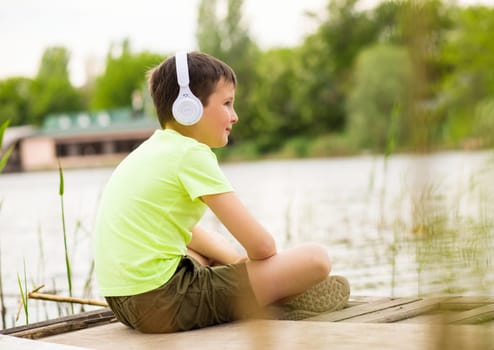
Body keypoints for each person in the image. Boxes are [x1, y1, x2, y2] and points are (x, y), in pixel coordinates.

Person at [93, 51, 350, 334]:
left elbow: (186, 233)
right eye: (227, 103)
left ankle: (260, 289)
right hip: (162, 304)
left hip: (124, 301)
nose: (235, 116)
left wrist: (236, 264)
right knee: (316, 259)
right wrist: (258, 268)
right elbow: (263, 247)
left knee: (201, 244)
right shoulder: (191, 154)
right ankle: (277, 297)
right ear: (187, 108)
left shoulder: (150, 151)